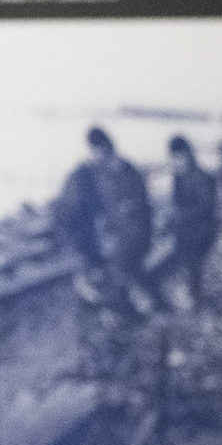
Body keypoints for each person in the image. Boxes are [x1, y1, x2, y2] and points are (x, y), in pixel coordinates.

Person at [50, 127, 155, 312]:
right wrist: (82, 250)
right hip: (92, 242)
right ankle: (108, 302)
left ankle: (120, 304)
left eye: (104, 151)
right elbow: (67, 212)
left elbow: (140, 214)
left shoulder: (126, 172)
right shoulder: (83, 175)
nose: (100, 156)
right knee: (98, 280)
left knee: (118, 276)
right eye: (96, 151)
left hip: (122, 242)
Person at [162, 136, 220, 306]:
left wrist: (180, 215)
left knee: (192, 264)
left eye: (181, 157)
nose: (178, 162)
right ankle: (189, 296)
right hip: (185, 229)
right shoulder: (178, 178)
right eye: (174, 158)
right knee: (183, 263)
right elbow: (177, 204)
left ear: (189, 155)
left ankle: (194, 298)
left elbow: (206, 207)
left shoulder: (203, 178)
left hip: (202, 230)